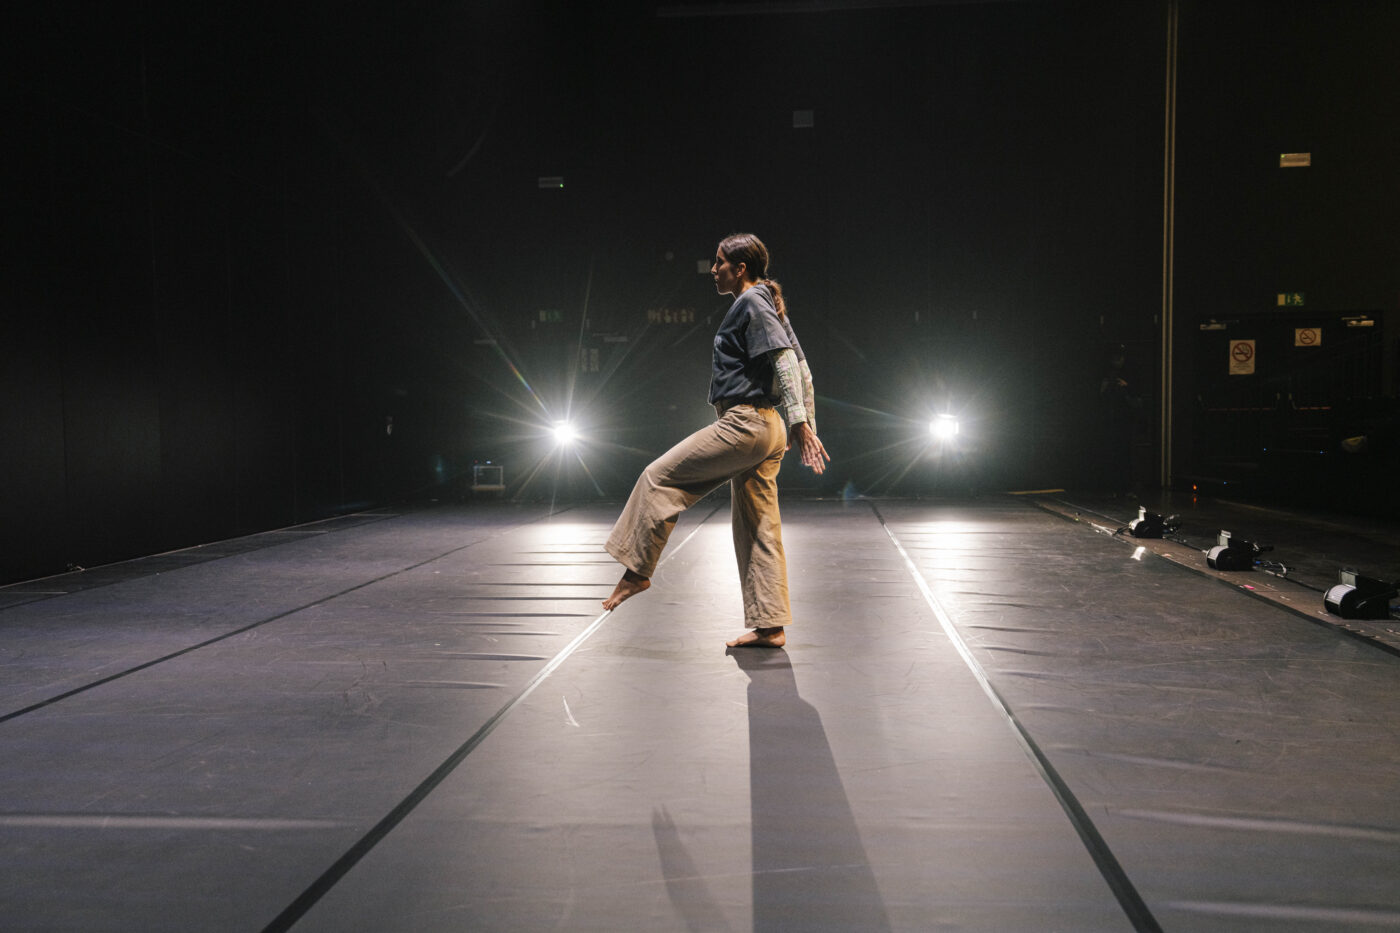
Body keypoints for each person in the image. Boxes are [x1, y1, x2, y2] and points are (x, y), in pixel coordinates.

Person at [602, 233, 829, 648]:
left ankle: (637, 571)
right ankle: (770, 626)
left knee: (657, 478)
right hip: (767, 427)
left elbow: (784, 362)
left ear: (740, 269)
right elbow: (804, 369)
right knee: (758, 526)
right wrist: (802, 422)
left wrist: (801, 423)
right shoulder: (767, 301)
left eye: (720, 262)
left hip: (746, 424)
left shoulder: (752, 300)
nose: (713, 269)